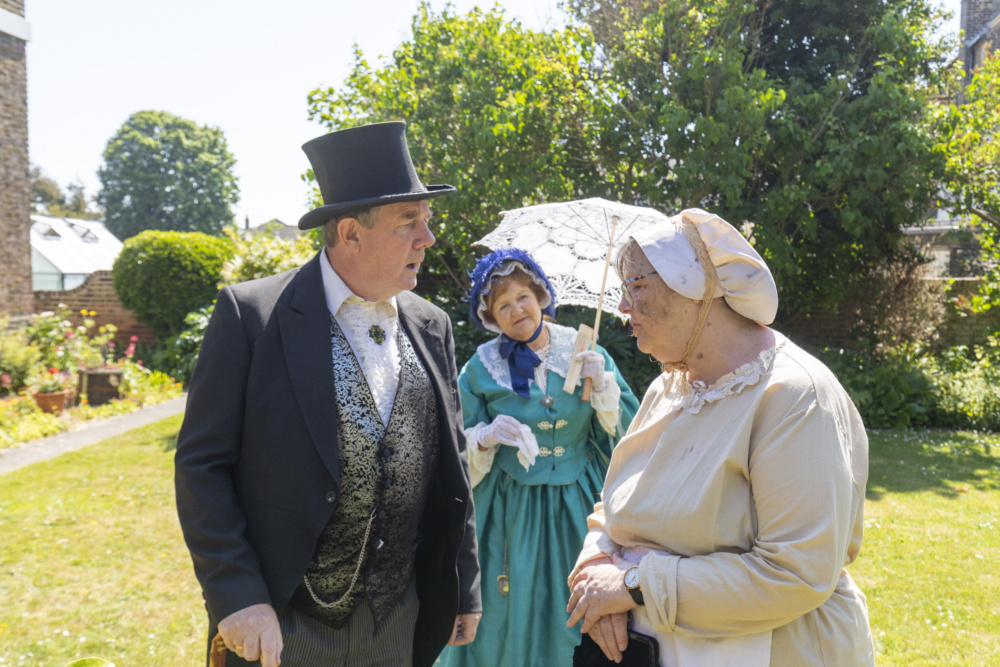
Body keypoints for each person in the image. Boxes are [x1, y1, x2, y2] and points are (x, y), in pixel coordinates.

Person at [174, 121, 482, 667]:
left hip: (399, 621)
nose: (427, 238)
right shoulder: (251, 317)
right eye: (409, 221)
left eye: (426, 220)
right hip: (285, 623)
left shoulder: (432, 324)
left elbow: (451, 463)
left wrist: (463, 581)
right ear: (350, 233)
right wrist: (238, 596)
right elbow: (202, 466)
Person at [565, 209, 875, 666]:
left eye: (635, 286)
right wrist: (596, 571)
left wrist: (634, 587)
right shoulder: (667, 387)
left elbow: (794, 574)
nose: (622, 307)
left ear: (694, 289)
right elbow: (613, 508)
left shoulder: (793, 396)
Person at [438, 248, 640, 667]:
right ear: (491, 316)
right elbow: (453, 445)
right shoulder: (481, 367)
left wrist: (602, 384)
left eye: (522, 297)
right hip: (511, 511)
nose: (516, 310)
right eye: (503, 305)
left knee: (583, 604)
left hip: (580, 507)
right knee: (507, 613)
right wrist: (486, 436)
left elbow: (629, 430)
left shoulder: (585, 347)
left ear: (541, 296)